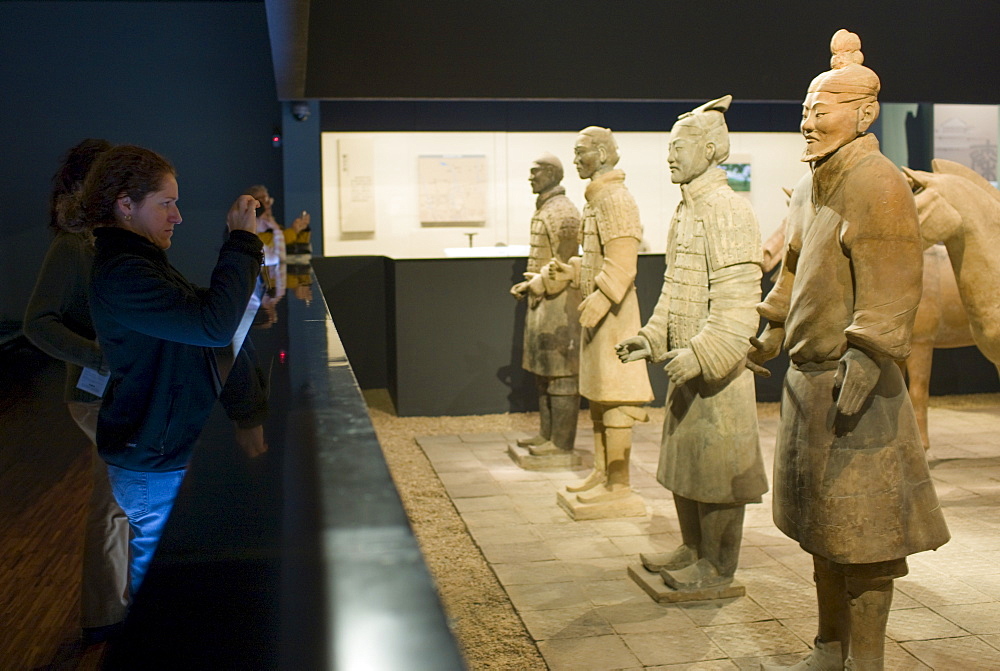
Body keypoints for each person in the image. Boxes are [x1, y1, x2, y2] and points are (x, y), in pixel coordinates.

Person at [748, 30, 949, 671]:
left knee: (865, 540)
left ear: (864, 114)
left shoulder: (878, 182)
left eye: (821, 110)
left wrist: (866, 357)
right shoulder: (811, 184)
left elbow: (894, 281)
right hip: (810, 386)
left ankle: (866, 659)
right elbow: (794, 270)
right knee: (822, 531)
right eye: (805, 111)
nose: (808, 122)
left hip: (855, 389)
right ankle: (828, 646)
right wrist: (773, 326)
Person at [63, 144, 269, 598]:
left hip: (158, 451)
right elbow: (214, 326)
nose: (177, 216)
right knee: (163, 595)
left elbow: (210, 315)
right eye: (167, 203)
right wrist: (240, 241)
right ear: (125, 205)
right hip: (152, 459)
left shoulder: (139, 263)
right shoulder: (124, 273)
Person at [616, 96, 768, 591]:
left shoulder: (728, 210)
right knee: (686, 463)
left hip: (717, 374)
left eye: (678, 146)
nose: (670, 156)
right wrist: (650, 337)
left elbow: (740, 304)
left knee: (718, 473)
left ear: (708, 149)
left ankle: (718, 567)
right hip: (685, 364)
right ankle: (692, 547)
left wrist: (702, 354)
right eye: (669, 147)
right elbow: (675, 291)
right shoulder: (686, 212)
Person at [23, 139, 129, 643]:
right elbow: (36, 323)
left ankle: (116, 603)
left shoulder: (111, 240)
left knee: (124, 502)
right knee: (112, 504)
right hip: (94, 394)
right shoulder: (72, 246)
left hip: (118, 391)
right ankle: (104, 614)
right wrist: (96, 355)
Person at [547, 127, 653, 504]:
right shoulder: (598, 197)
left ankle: (619, 485)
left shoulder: (616, 199)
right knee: (597, 395)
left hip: (615, 315)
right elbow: (598, 258)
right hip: (598, 313)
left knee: (617, 397)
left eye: (582, 152)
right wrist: (575, 272)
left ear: (604, 154)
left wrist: (601, 297)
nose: (576, 159)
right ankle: (602, 471)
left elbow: (624, 262)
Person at [510, 154, 582, 455]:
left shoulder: (563, 212)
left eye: (535, 172)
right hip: (543, 301)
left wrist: (535, 283)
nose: (531, 177)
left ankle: (561, 443)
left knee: (561, 374)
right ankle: (546, 435)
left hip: (559, 304)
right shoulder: (547, 208)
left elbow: (564, 265)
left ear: (552, 174)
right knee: (543, 373)